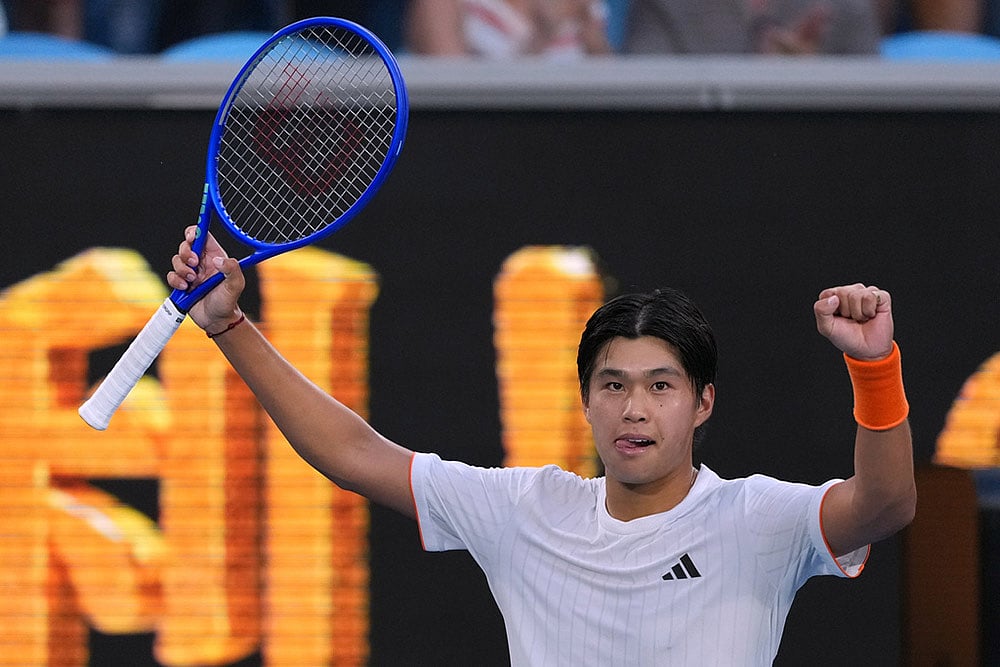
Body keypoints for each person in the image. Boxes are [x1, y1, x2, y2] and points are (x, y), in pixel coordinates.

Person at [167, 226, 915, 664]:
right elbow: (352, 452)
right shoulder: (525, 508)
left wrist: (873, 364)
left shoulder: (756, 518)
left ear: (702, 403)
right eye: (613, 385)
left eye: (661, 386)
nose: (634, 408)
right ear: (586, 402)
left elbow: (885, 504)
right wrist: (232, 327)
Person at [622, 0, 882, 55]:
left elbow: (877, 119)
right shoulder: (665, 6)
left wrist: (811, 83)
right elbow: (643, 106)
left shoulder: (847, 7)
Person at [406, 0, 611, 58]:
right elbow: (451, 96)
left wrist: (591, 34)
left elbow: (612, 88)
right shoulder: (442, 5)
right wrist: (542, 36)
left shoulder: (583, 5)